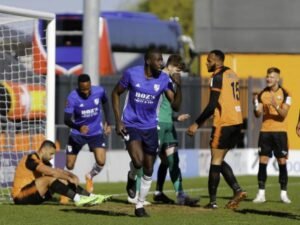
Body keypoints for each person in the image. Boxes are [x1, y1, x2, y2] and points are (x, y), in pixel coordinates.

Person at [111, 48, 181, 217]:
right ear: (148, 61)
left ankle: (140, 205)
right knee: (138, 160)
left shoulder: (164, 79)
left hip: (150, 127)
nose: (161, 63)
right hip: (131, 124)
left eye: (162, 60)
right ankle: (132, 176)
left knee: (149, 168)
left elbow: (176, 106)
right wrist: (118, 121)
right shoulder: (131, 74)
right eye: (158, 60)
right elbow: (115, 93)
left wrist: (180, 85)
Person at [186, 49, 247, 209]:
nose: (206, 63)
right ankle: (237, 190)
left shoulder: (217, 76)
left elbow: (212, 105)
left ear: (217, 61)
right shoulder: (232, 73)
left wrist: (196, 123)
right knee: (218, 159)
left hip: (224, 122)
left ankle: (213, 202)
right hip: (237, 122)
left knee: (216, 160)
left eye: (209, 60)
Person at [11, 140, 110, 205]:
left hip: (35, 195)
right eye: (51, 154)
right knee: (50, 178)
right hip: (21, 196)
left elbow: (57, 172)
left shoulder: (46, 163)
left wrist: (71, 175)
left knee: (59, 178)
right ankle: (78, 199)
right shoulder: (30, 158)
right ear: (44, 150)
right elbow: (51, 172)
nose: (52, 157)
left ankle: (90, 197)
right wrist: (69, 177)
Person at [64, 73, 112, 196]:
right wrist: (78, 127)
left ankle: (90, 176)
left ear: (91, 85)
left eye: (88, 89)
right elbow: (66, 120)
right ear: (78, 87)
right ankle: (66, 185)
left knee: (101, 161)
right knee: (69, 166)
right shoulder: (72, 97)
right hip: (77, 133)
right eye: (83, 89)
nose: (86, 92)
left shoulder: (99, 91)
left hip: (95, 132)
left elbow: (106, 103)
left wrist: (108, 121)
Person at [252, 67, 292, 204]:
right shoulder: (262, 94)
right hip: (265, 132)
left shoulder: (286, 94)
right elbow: (257, 114)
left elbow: (284, 115)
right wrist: (255, 106)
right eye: (267, 76)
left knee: (282, 162)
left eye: (271, 77)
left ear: (277, 79)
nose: (268, 79)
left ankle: (283, 194)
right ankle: (261, 193)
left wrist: (276, 106)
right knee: (263, 162)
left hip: (280, 132)